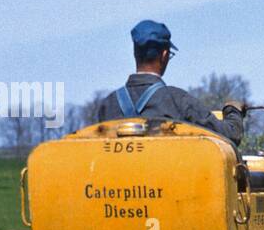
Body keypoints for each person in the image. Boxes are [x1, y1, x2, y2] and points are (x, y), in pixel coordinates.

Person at [91, 20, 242, 146]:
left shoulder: (108, 105)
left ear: (134, 53)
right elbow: (230, 135)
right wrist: (233, 110)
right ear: (164, 55)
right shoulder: (179, 101)